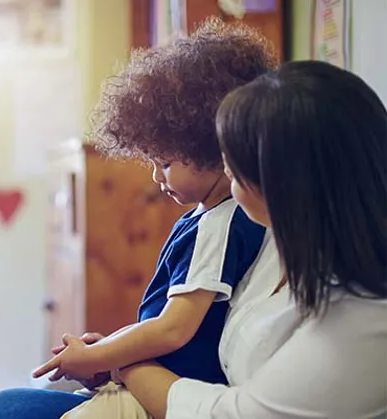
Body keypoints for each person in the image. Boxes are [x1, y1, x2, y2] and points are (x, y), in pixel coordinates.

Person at [0, 17, 278, 419]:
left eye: (165, 163)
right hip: (150, 378)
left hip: (169, 392)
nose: (156, 178)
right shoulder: (207, 218)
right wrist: (108, 351)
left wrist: (102, 354)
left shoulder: (219, 225)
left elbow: (174, 328)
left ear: (218, 151)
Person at [114, 60, 387, 419]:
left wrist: (127, 364)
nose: (226, 176)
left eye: (233, 169)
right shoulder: (283, 240)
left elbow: (232, 414)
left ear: (282, 183)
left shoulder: (362, 324)